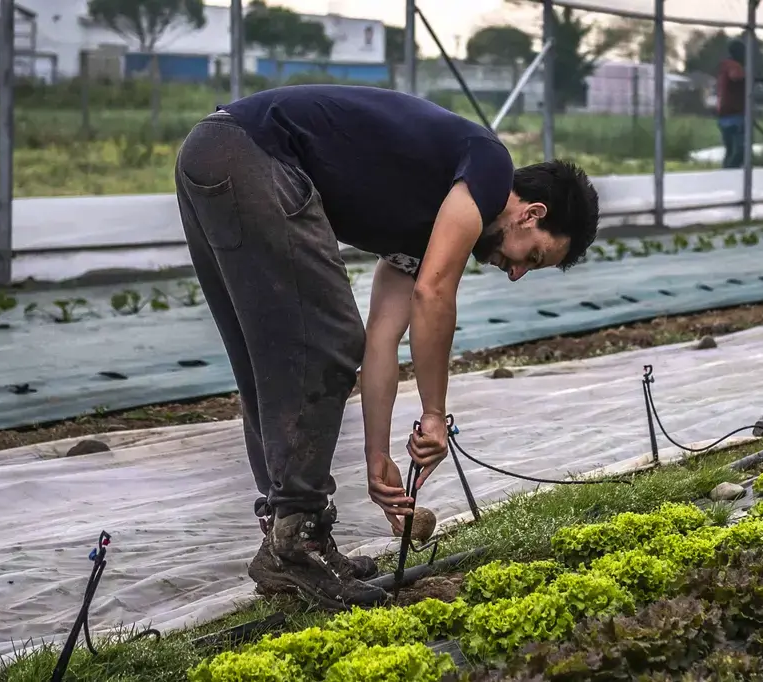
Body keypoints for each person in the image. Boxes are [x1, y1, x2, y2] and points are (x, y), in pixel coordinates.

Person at [172, 84, 600, 609]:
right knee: (326, 335)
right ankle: (297, 537)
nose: (514, 273)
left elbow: (381, 342)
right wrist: (435, 414)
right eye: (530, 258)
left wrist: (378, 458)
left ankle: (288, 532)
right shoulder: (489, 166)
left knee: (271, 354)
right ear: (531, 214)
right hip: (252, 151)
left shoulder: (424, 224)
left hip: (212, 150)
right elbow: (433, 293)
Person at [716, 39, 748, 169]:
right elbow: (736, 77)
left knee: (730, 151)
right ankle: (729, 174)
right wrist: (755, 78)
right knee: (740, 151)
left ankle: (725, 176)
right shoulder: (733, 66)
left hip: (724, 115)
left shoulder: (724, 66)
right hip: (734, 116)